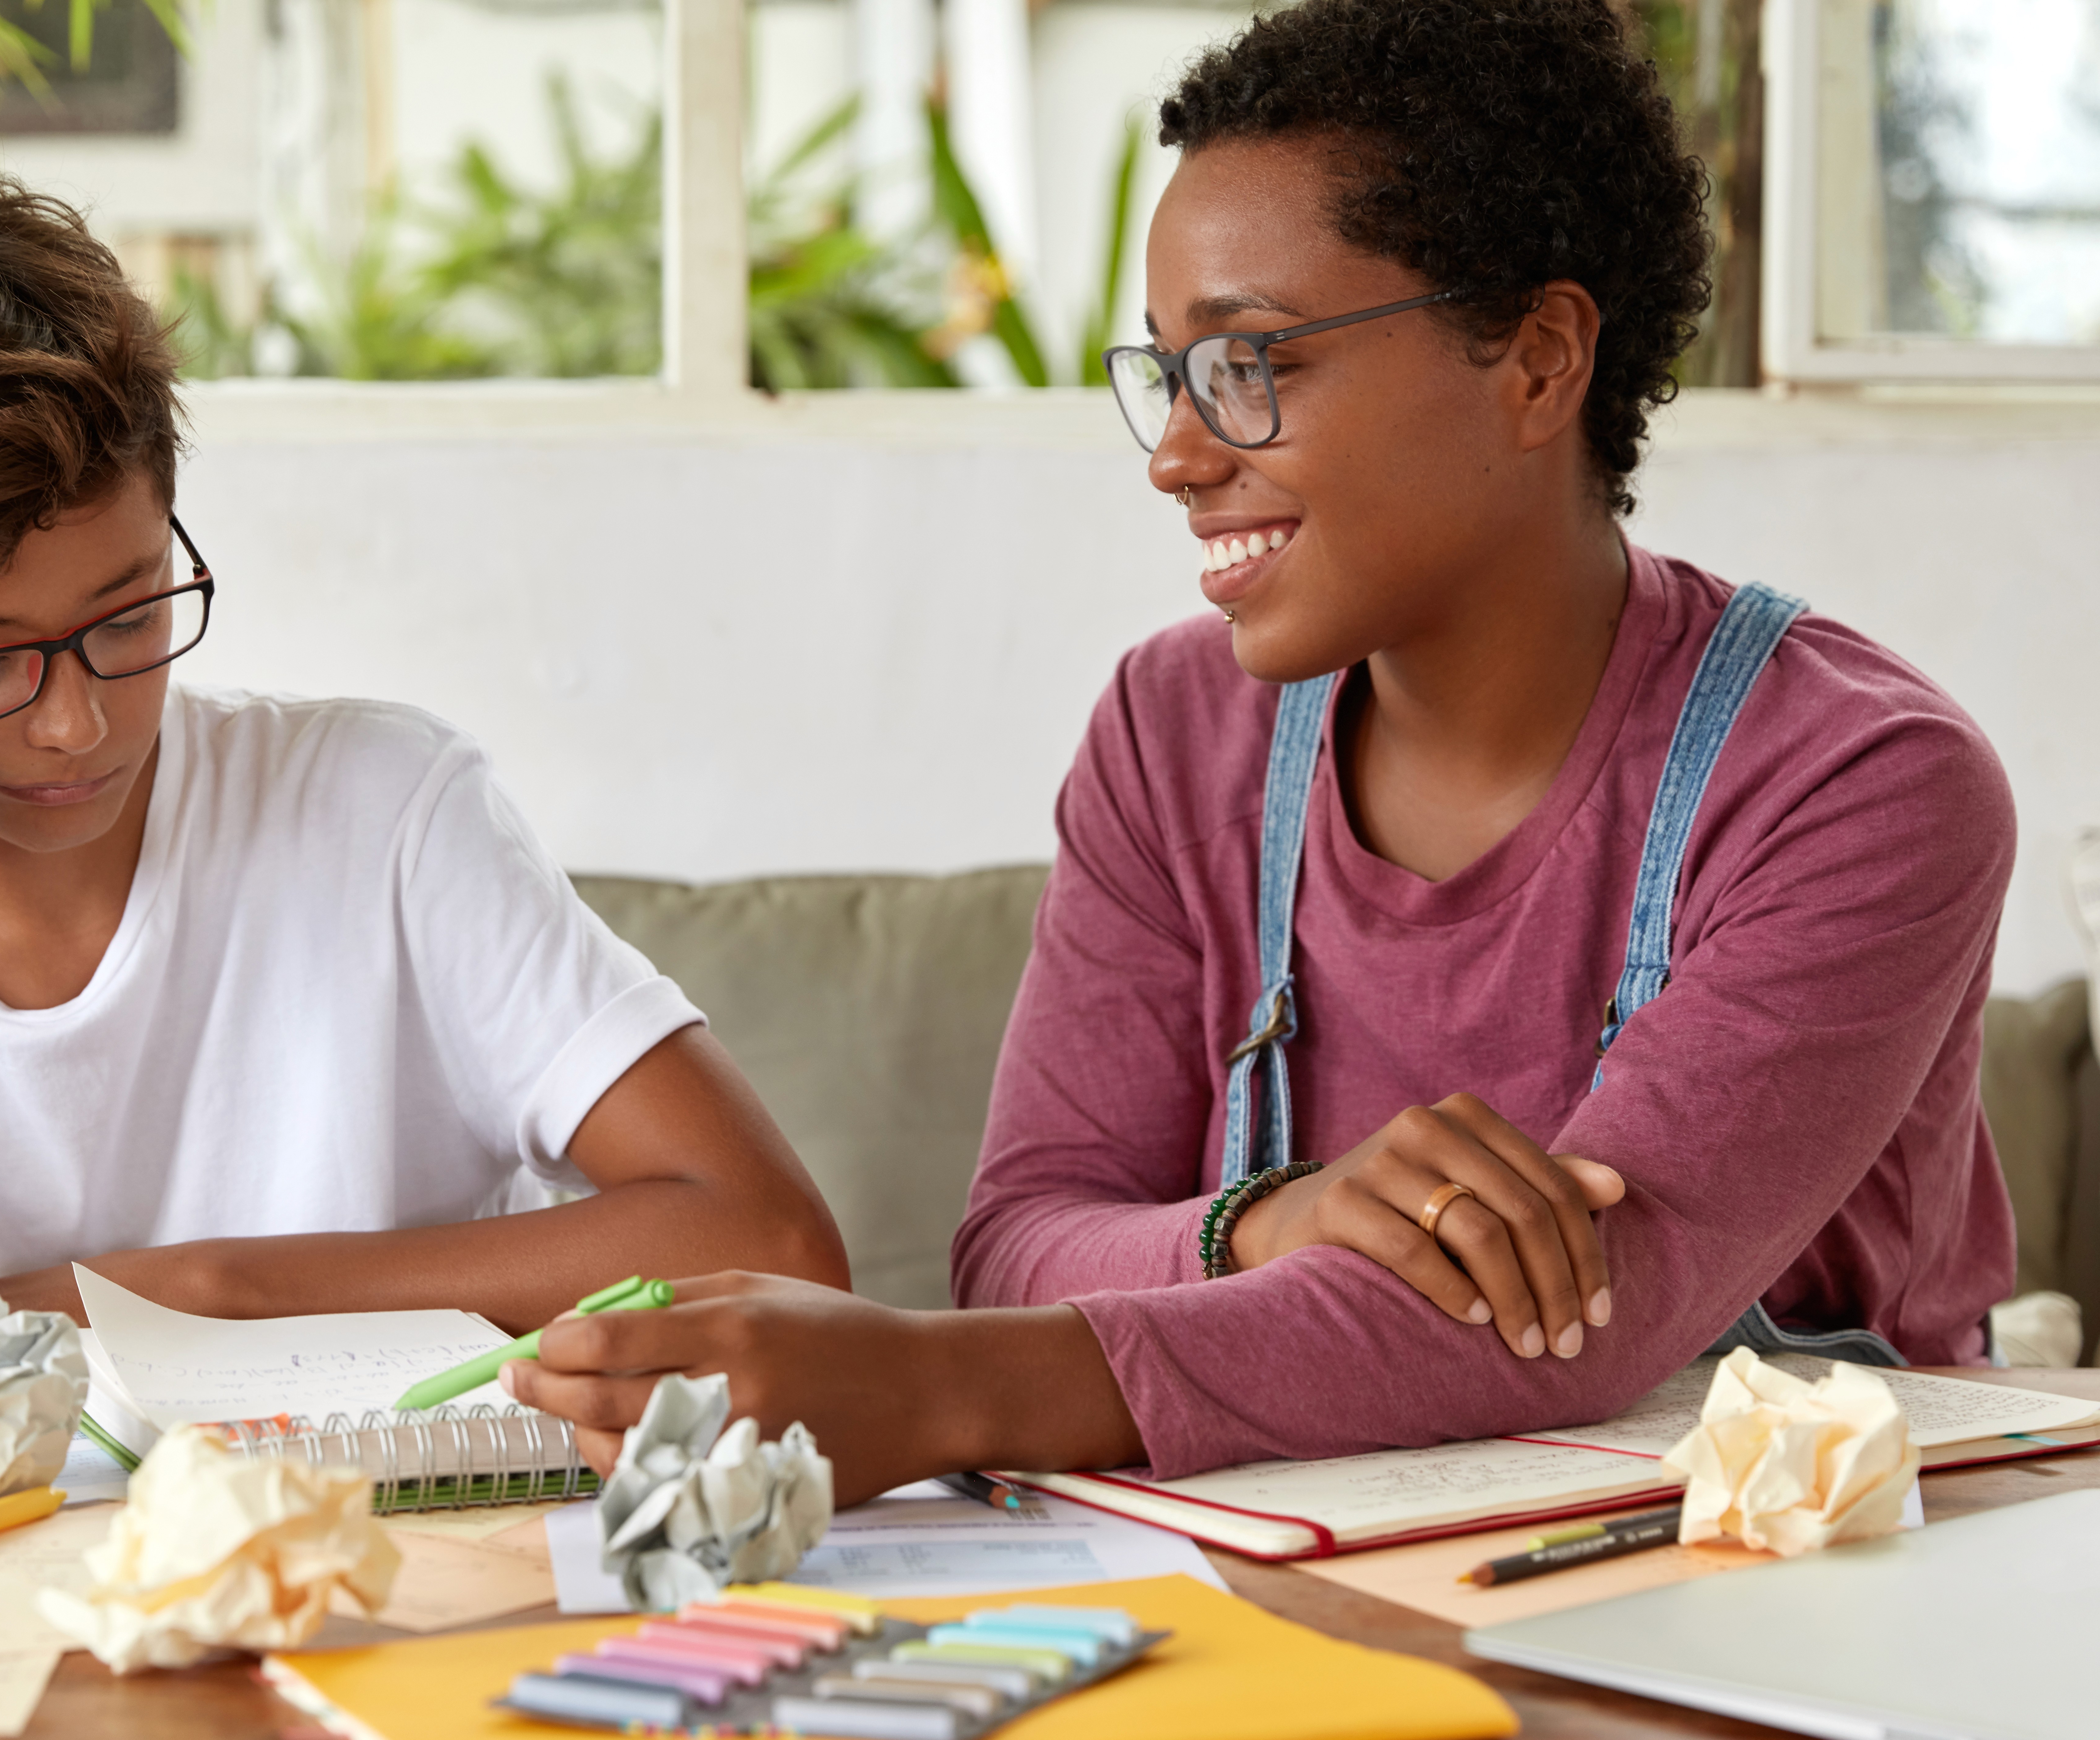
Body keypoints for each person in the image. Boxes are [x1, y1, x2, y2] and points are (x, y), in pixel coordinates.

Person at [505, 0, 2016, 1504]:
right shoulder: (1174, 739)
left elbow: (1587, 1319)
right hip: (1319, 1551)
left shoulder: (1859, 786)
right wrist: (1273, 1221)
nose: (1174, 454)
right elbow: (1023, 1229)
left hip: (1784, 1588)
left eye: (1249, 364)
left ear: (1540, 359)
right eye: (1167, 374)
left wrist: (935, 1382)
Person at [0, 175, 846, 1432]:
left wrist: (167, 1296)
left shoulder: (377, 816)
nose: (79, 720)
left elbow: (774, 1241)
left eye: (128, 613)